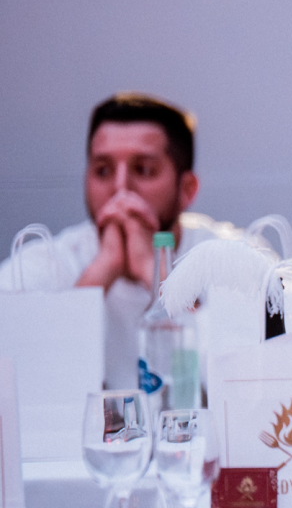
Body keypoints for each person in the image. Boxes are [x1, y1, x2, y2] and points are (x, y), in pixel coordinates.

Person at [1, 93, 227, 389]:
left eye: (143, 170)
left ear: (187, 189)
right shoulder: (44, 262)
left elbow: (247, 380)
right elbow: (21, 383)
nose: (120, 188)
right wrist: (100, 272)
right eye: (103, 170)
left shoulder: (231, 261)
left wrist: (156, 272)